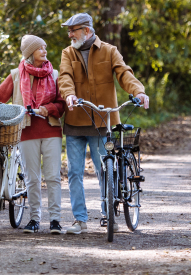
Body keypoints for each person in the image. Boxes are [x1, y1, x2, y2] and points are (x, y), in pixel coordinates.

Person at [58, 13, 149, 235]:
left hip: (102, 122)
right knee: (74, 173)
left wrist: (139, 91)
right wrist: (68, 95)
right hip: (75, 121)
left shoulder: (109, 50)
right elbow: (65, 77)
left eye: (74, 30)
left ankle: (109, 216)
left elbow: (124, 73)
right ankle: (80, 220)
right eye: (68, 31)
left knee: (104, 170)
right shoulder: (67, 53)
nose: (70, 35)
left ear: (87, 31)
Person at [0, 35, 65, 234]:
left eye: (45, 48)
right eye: (40, 49)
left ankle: (55, 220)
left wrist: (48, 109)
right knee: (32, 178)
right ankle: (34, 219)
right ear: (30, 53)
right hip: (26, 131)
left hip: (51, 130)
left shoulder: (54, 75)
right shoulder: (16, 75)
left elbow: (62, 104)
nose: (45, 52)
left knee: (53, 176)